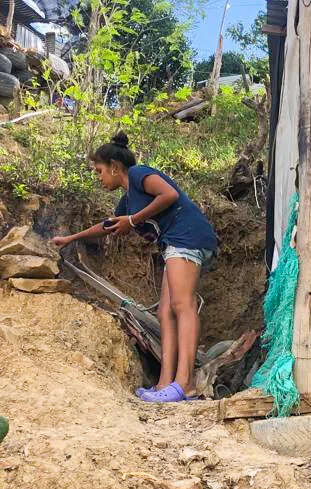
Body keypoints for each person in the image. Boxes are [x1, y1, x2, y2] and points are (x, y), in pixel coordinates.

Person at [53, 132, 217, 404]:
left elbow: (170, 193)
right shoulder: (128, 200)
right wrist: (71, 238)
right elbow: (108, 225)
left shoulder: (140, 174)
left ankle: (185, 384)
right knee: (165, 310)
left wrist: (133, 219)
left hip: (189, 237)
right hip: (173, 244)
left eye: (99, 171)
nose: (99, 177)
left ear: (115, 167)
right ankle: (165, 382)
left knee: (181, 305)